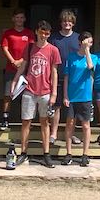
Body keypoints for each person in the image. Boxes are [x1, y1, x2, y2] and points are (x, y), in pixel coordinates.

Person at [18, 19, 60, 167]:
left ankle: (46, 154)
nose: (44, 36)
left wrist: (54, 93)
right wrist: (15, 81)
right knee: (26, 122)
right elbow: (23, 65)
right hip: (29, 89)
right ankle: (23, 152)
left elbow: (54, 72)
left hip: (45, 91)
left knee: (44, 122)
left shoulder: (53, 50)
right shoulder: (30, 48)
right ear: (36, 32)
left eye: (47, 33)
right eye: (42, 32)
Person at [61, 31, 95, 166]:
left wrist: (87, 51)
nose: (89, 44)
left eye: (91, 42)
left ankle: (85, 154)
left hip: (85, 96)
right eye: (87, 41)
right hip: (72, 96)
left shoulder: (93, 57)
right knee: (69, 124)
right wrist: (65, 96)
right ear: (80, 42)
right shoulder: (71, 57)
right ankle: (68, 153)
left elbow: (90, 67)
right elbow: (66, 77)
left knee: (86, 125)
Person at [48, 9, 81, 145]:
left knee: (72, 109)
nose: (67, 23)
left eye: (69, 21)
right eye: (64, 21)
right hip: (57, 76)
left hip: (74, 78)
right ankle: (53, 134)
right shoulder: (54, 38)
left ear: (73, 23)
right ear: (61, 23)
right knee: (56, 107)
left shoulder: (78, 38)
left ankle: (71, 134)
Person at [0, 9, 35, 131]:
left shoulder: (29, 33)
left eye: (21, 17)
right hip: (11, 67)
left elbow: (31, 48)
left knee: (26, 95)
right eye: (17, 17)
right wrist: (13, 61)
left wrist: (21, 61)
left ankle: (25, 119)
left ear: (24, 19)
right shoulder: (8, 33)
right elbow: (4, 47)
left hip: (26, 68)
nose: (19, 20)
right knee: (8, 94)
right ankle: (5, 119)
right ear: (13, 19)